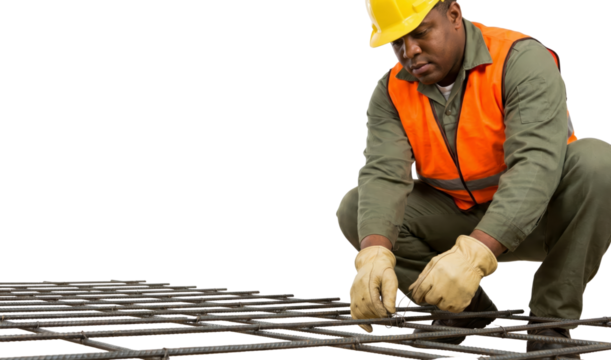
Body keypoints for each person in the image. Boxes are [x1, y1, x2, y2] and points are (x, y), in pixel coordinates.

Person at [334, 0, 611, 358]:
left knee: (599, 163)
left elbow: (535, 165)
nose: (410, 51)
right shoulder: (391, 91)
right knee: (356, 208)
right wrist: (373, 254)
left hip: (546, 215)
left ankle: (551, 321)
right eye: (398, 41)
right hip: (459, 215)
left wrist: (473, 257)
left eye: (420, 33)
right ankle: (464, 310)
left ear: (454, 15)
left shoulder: (519, 59)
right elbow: (383, 176)